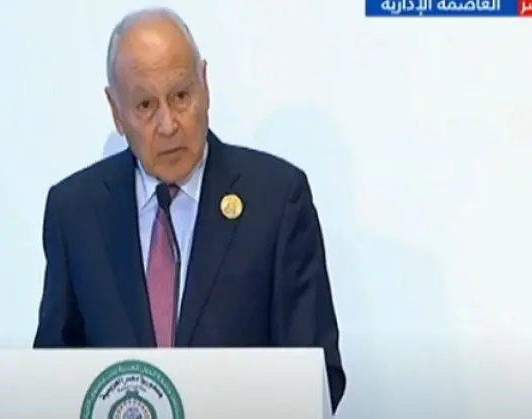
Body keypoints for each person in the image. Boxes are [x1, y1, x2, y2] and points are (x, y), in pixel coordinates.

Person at [33, 7, 346, 410]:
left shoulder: (277, 200)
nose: (168, 125)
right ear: (116, 111)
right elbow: (51, 378)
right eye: (145, 105)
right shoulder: (75, 212)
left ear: (205, 86)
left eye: (181, 96)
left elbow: (316, 376)